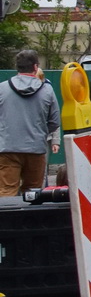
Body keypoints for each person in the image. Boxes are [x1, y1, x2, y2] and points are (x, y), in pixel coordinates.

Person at [0, 48, 60, 196]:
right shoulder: (47, 90)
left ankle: (7, 219)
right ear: (35, 67)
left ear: (17, 67)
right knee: (33, 192)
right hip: (36, 148)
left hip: (8, 148)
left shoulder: (2, 88)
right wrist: (40, 132)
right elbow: (55, 121)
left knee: (7, 190)